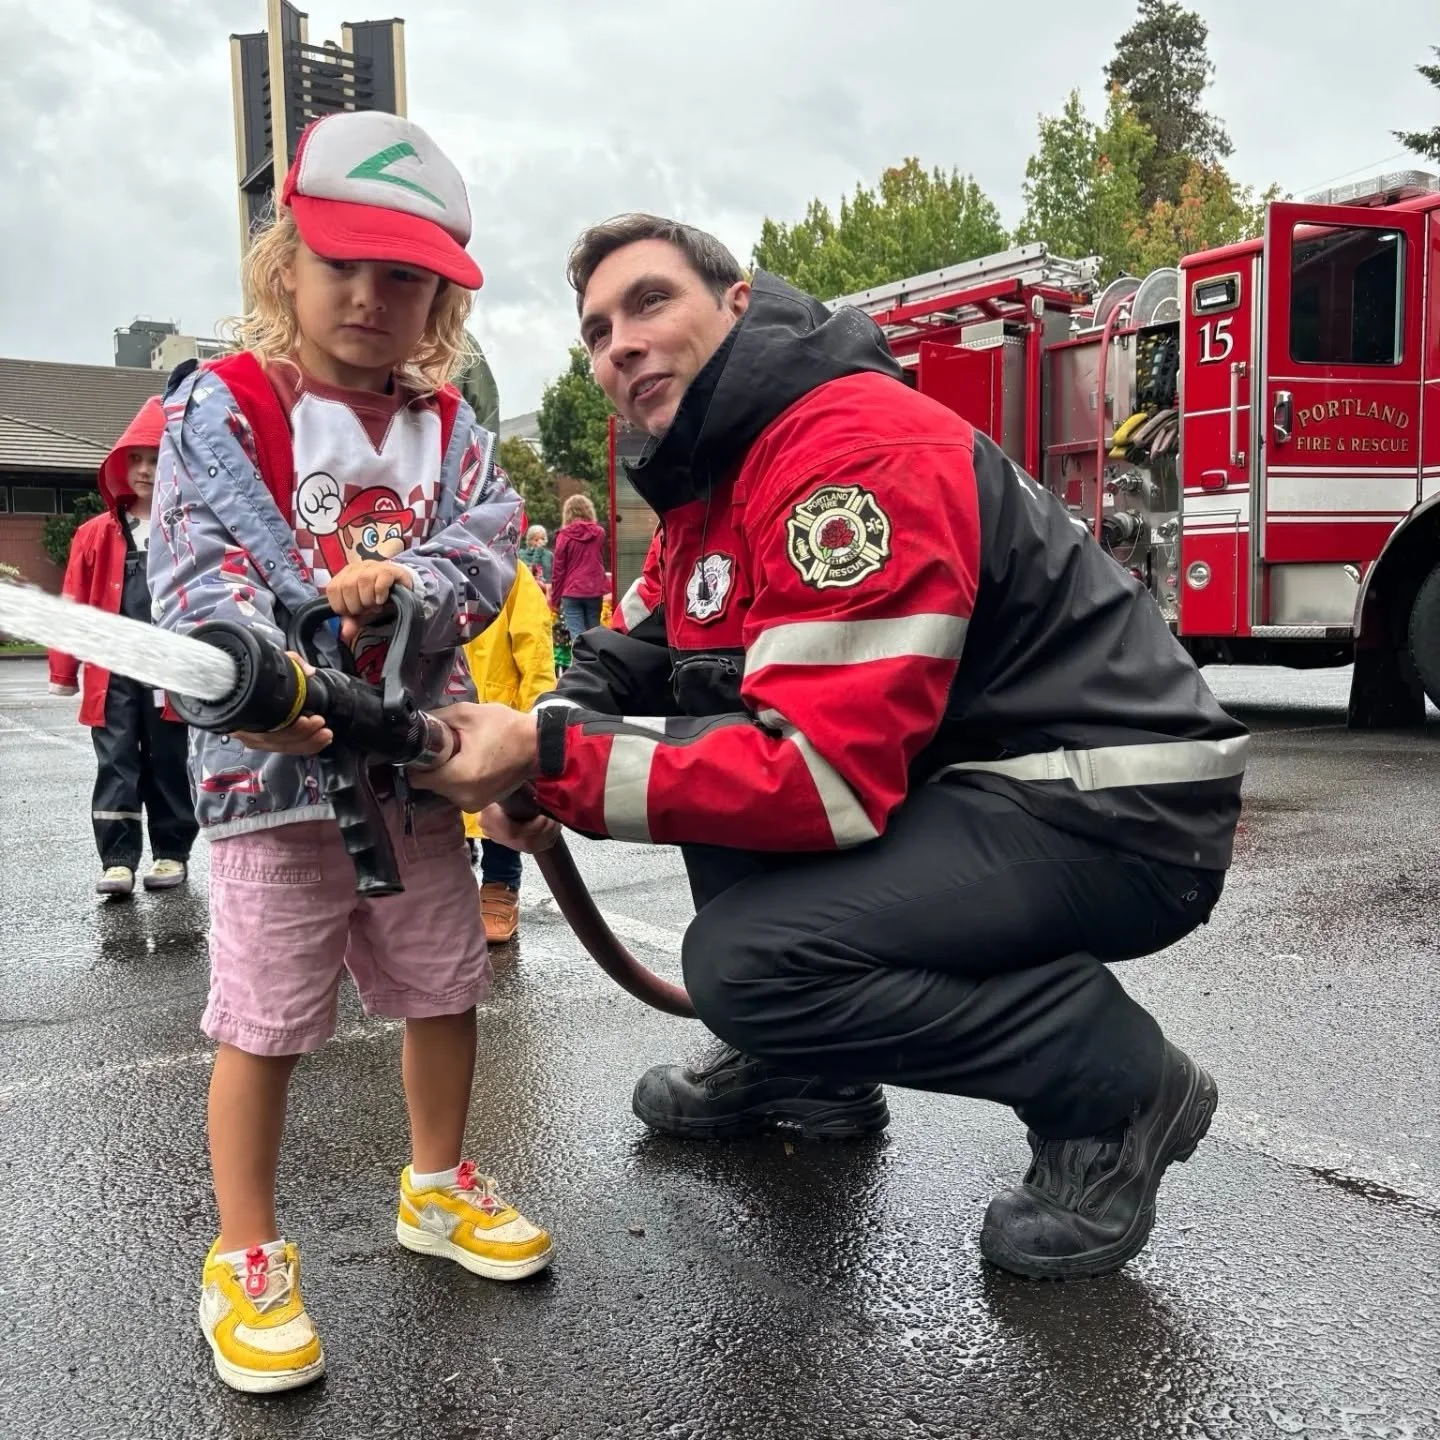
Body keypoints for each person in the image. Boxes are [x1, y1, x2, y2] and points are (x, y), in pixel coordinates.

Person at [406, 213, 1251, 1285]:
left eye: (652, 301)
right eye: (598, 330)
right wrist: (553, 730)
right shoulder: (716, 476)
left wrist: (548, 756)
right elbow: (642, 646)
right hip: (993, 779)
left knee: (746, 962)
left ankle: (1117, 1085)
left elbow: (818, 779)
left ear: (739, 302)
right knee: (711, 735)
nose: (621, 343)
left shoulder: (846, 449)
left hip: (1116, 801)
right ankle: (806, 1069)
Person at [147, 110, 551, 1395]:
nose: (371, 296)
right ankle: (244, 1252)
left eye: (406, 276)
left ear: (441, 301)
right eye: (343, 265)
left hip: (413, 775)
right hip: (270, 785)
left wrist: (412, 582)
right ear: (288, 265)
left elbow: (489, 545)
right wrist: (254, 681)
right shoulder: (226, 408)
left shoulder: (451, 430)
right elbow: (195, 569)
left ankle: (435, 1183)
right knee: (263, 1019)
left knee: (445, 984)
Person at [48, 397, 198, 896]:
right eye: (136, 459)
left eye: (156, 459)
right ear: (119, 466)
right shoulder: (94, 535)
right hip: (111, 673)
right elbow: (73, 604)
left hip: (168, 671)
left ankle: (172, 852)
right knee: (116, 762)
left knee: (168, 760)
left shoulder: (188, 531)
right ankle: (117, 860)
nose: (146, 470)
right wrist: (64, 671)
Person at [460, 561, 555, 943]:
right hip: (439, 711)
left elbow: (535, 645)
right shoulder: (420, 562)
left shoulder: (510, 572)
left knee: (501, 806)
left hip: (497, 713)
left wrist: (539, 715)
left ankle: (501, 884)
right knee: (440, 811)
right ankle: (455, 888)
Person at [548, 493, 609, 639]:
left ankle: (579, 655)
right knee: (594, 635)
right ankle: (595, 655)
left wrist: (555, 600)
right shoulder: (599, 533)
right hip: (594, 590)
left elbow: (558, 570)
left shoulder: (564, 536)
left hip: (571, 591)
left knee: (577, 637)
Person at [517, 523, 553, 592]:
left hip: (547, 591)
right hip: (528, 589)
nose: (540, 542)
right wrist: (538, 551)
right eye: (536, 540)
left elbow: (553, 575)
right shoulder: (522, 554)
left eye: (542, 539)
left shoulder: (549, 554)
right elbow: (532, 571)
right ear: (529, 540)